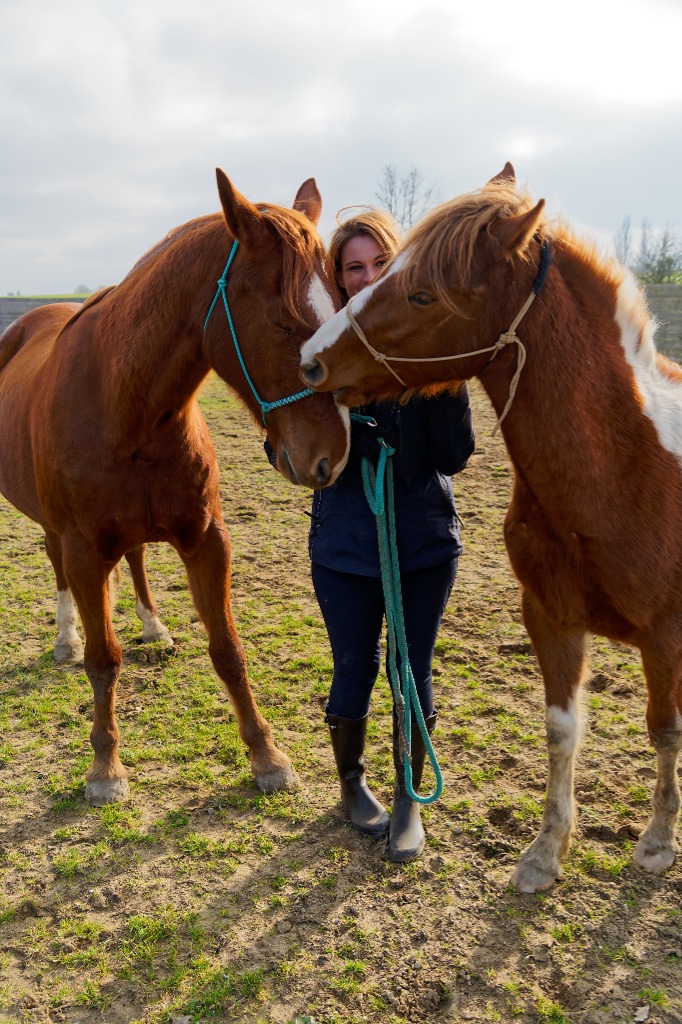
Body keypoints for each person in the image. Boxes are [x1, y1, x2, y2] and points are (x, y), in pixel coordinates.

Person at [308, 207, 475, 863]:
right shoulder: (321, 347)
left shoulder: (424, 339)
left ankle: (409, 794)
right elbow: (289, 452)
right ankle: (352, 786)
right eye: (355, 267)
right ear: (342, 278)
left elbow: (455, 456)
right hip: (346, 544)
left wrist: (439, 376)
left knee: (413, 667)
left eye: (381, 262)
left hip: (424, 540)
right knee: (355, 665)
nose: (369, 275)